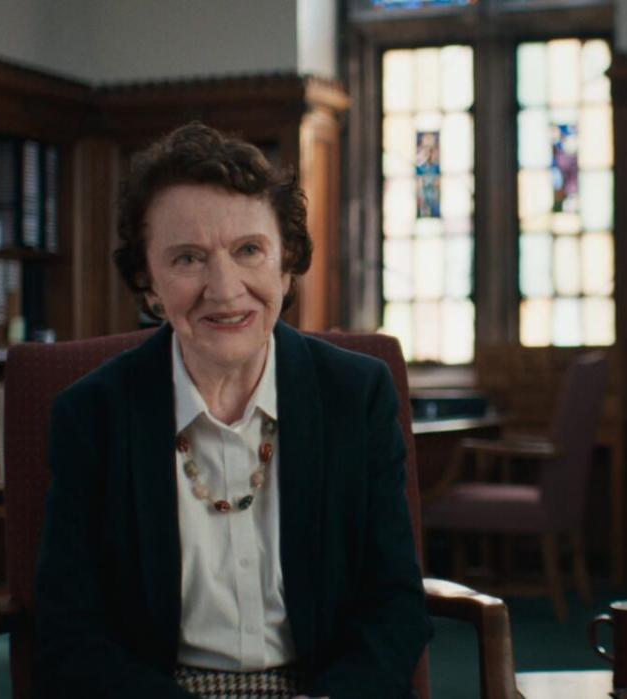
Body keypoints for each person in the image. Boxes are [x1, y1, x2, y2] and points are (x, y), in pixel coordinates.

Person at [34, 122, 433, 699]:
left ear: (287, 261)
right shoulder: (92, 416)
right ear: (148, 282)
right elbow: (69, 632)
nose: (224, 290)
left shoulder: (355, 395)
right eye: (188, 258)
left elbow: (395, 603)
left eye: (248, 250)